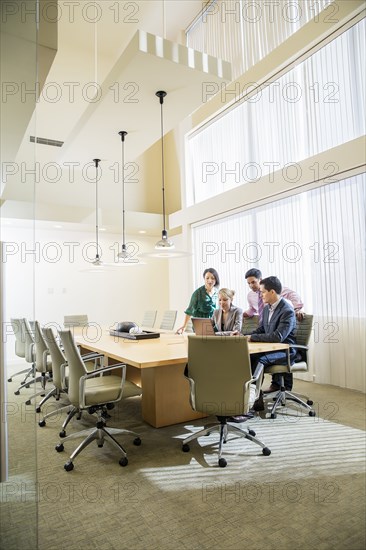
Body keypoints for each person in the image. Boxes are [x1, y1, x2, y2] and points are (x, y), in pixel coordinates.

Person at [244, 276, 297, 409]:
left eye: (263, 292)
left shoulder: (287, 310)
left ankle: (252, 401)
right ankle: (248, 396)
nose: (260, 295)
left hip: (286, 351)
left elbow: (278, 336)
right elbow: (263, 329)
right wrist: (245, 335)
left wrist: (253, 338)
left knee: (259, 360)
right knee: (248, 356)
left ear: (272, 292)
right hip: (272, 349)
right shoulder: (268, 308)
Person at [176, 268, 220, 334]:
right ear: (204, 279)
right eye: (207, 278)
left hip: (214, 325)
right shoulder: (197, 293)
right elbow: (189, 311)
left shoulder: (218, 293)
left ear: (216, 279)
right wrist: (184, 326)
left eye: (212, 278)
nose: (210, 280)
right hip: (200, 325)